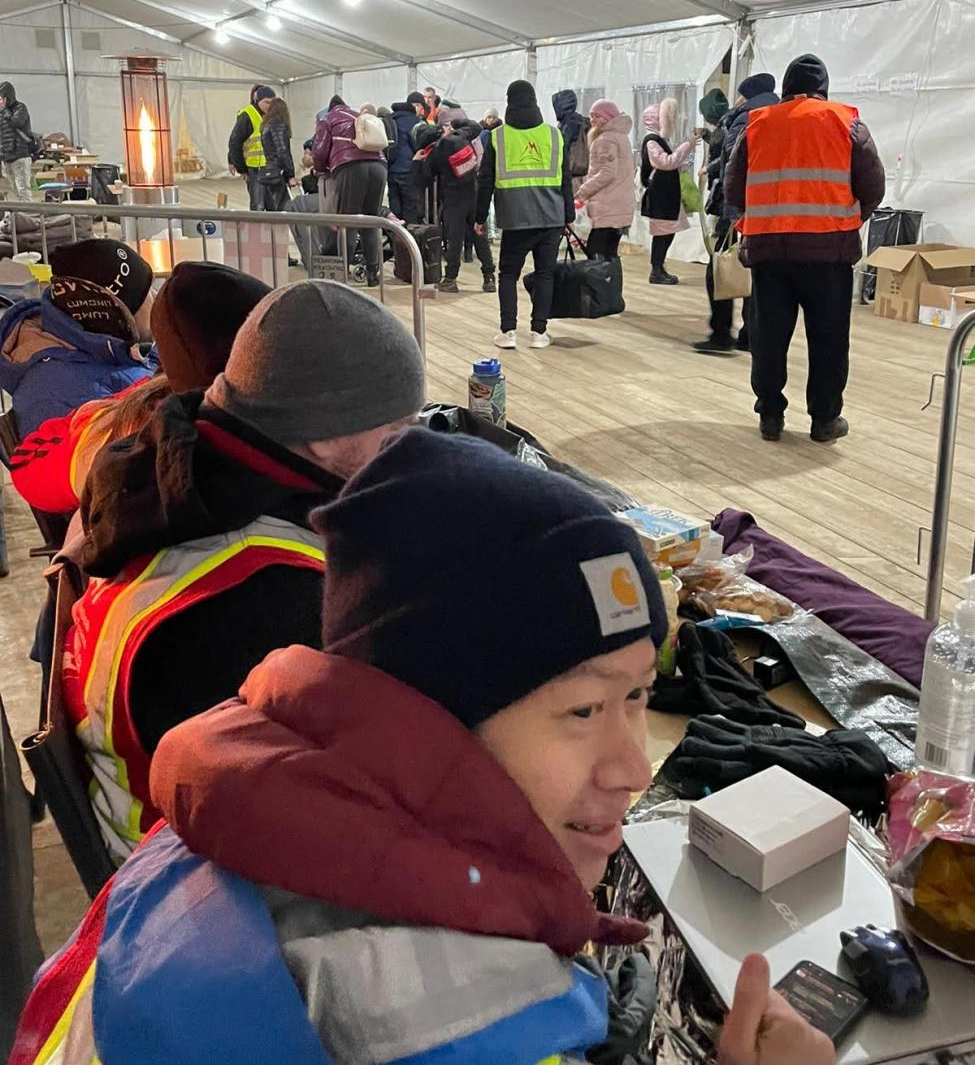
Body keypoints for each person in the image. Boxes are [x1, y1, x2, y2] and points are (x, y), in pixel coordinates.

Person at [10, 429, 835, 1065]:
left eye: (637, 699)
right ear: (430, 715)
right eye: (582, 711)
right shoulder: (444, 1017)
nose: (632, 768)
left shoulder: (227, 828)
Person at [61, 279, 426, 862]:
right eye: (399, 429)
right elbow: (337, 814)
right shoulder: (254, 595)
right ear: (326, 434)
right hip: (196, 895)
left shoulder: (173, 481)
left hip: (179, 828)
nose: (411, 449)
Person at [10, 262, 270, 516]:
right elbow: (29, 464)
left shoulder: (137, 397)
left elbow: (28, 462)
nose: (154, 296)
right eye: (147, 293)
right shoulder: (136, 422)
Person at [724, 53, 886, 443]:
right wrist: (845, 221)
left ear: (786, 89)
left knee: (768, 336)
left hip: (769, 253)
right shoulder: (847, 123)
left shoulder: (758, 124)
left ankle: (770, 415)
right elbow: (873, 187)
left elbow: (732, 186)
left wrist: (753, 223)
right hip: (828, 254)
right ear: (823, 88)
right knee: (829, 339)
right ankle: (824, 420)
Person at [0, 238, 156, 437]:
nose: (156, 296)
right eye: (147, 295)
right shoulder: (58, 399)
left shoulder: (118, 348)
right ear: (120, 317)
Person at [476, 78, 575, 351]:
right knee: (545, 274)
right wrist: (569, 214)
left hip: (515, 220)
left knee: (508, 275)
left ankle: (508, 332)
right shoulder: (555, 135)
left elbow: (485, 182)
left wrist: (479, 217)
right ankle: (539, 333)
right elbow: (565, 179)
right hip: (551, 218)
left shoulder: (498, 137)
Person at [693, 78, 779, 355]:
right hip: (771, 206)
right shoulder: (780, 114)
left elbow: (735, 160)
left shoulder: (744, 118)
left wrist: (727, 202)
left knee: (720, 265)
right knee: (758, 272)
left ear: (746, 96)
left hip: (739, 205)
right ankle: (751, 334)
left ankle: (720, 332)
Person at [312, 95, 388, 287]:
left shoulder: (328, 119)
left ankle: (342, 275)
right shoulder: (359, 116)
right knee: (370, 221)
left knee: (348, 222)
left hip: (351, 167)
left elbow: (319, 151)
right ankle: (373, 273)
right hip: (379, 166)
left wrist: (320, 169)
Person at [419, 115, 495, 294]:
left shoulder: (439, 147)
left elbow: (427, 174)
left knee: (455, 238)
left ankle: (450, 279)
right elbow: (475, 126)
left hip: (454, 196)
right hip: (473, 192)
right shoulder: (463, 137)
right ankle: (489, 277)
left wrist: (419, 161)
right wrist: (456, 126)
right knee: (479, 234)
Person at [640, 99, 696, 285]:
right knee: (662, 232)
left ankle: (659, 267)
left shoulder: (658, 140)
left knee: (668, 230)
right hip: (661, 194)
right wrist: (687, 145)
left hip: (666, 192)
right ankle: (656, 270)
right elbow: (666, 162)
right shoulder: (652, 141)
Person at [575, 99, 636, 260]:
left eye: (598, 116)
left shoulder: (605, 140)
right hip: (621, 207)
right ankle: (613, 285)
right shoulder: (622, 137)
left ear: (609, 117)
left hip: (607, 207)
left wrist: (583, 191)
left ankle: (596, 286)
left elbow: (607, 172)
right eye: (591, 116)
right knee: (611, 256)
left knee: (596, 257)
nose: (593, 120)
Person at [228, 84, 276, 210]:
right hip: (255, 169)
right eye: (266, 102)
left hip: (271, 167)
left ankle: (273, 229)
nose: (269, 105)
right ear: (257, 99)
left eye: (272, 102)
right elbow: (235, 142)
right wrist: (241, 168)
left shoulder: (273, 115)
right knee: (258, 205)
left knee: (273, 205)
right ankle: (258, 229)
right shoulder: (247, 115)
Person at [387, 93, 427, 223]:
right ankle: (410, 240)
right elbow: (418, 144)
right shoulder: (414, 122)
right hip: (408, 169)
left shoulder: (389, 120)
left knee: (395, 208)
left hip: (391, 169)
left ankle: (396, 240)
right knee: (410, 208)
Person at [257, 96, 297, 213]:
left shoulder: (266, 126)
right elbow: (282, 151)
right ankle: (283, 231)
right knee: (283, 207)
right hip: (278, 172)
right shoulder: (279, 125)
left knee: (272, 206)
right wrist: (290, 175)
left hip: (269, 170)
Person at [0, 81, 34, 201]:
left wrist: (5, 111)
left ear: (7, 97)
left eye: (1, 98)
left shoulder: (20, 108)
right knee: (14, 190)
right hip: (6, 157)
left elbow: (16, 122)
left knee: (23, 189)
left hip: (20, 155)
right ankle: (20, 216)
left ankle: (30, 217)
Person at [552, 89, 591, 194]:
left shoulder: (569, 124)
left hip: (570, 173)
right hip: (583, 172)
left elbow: (562, 148)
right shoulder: (581, 121)